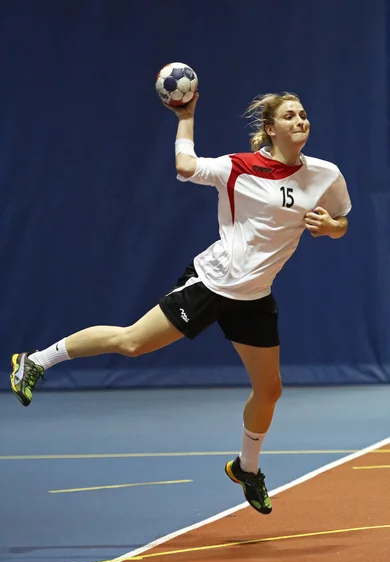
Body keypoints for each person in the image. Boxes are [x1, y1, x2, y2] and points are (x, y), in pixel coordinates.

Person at [10, 91, 351, 516]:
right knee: (132, 342)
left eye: (303, 114)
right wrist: (185, 117)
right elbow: (186, 166)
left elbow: (341, 221)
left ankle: (247, 468)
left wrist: (330, 227)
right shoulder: (238, 167)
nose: (301, 120)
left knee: (270, 389)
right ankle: (36, 362)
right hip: (211, 284)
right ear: (270, 128)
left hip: (255, 296)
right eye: (289, 116)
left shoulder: (324, 174)